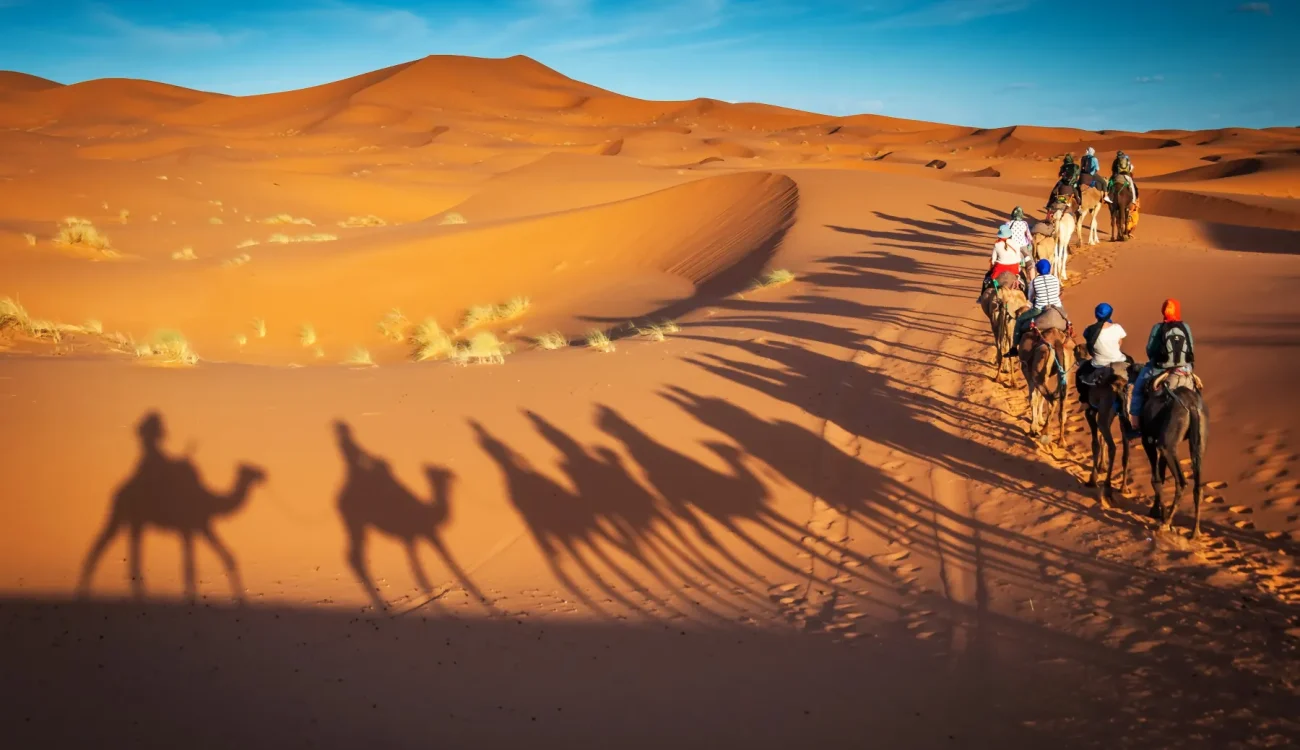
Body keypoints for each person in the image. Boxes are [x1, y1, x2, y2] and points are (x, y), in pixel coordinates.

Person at [1129, 298, 1194, 425]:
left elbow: (1150, 349)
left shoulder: (1158, 327)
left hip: (1160, 367)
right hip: (1184, 367)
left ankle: (1135, 421)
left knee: (1137, 388)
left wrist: (1156, 360)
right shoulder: (1185, 327)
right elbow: (1191, 348)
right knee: (1195, 389)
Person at [1008, 258, 1068, 356]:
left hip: (1040, 309)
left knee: (1019, 321)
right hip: (1057, 307)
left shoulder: (1034, 281)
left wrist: (1034, 301)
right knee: (1067, 321)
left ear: (1037, 270)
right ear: (1050, 268)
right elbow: (1057, 293)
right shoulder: (1055, 279)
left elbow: (1030, 297)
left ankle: (1014, 348)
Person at [1078, 303, 1128, 388]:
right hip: (1118, 359)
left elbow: (1089, 343)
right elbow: (1120, 342)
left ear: (1096, 315)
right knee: (1130, 362)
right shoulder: (1117, 327)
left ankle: (1083, 396)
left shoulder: (1089, 330)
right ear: (1110, 314)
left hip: (1098, 363)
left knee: (1080, 373)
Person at [984, 224, 1023, 290]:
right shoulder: (1016, 244)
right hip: (1014, 269)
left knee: (986, 280)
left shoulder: (997, 244)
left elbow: (993, 260)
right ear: (1009, 234)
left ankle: (982, 296)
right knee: (1023, 279)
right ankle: (1026, 296)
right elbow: (1018, 259)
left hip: (999, 269)